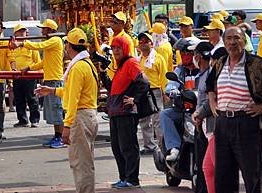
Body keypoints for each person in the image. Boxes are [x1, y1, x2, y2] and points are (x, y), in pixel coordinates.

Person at [206, 26, 262, 193]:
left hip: (247, 123)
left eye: (237, 38)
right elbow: (209, 85)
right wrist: (213, 102)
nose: (233, 42)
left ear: (244, 41)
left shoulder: (257, 64)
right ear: (224, 42)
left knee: (251, 174)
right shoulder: (220, 63)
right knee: (224, 175)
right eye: (229, 39)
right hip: (222, 123)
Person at [36, 28, 99, 193]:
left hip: (80, 117)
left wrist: (67, 125)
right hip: (88, 115)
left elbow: (73, 100)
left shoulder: (78, 67)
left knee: (81, 163)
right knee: (84, 162)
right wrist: (52, 90)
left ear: (69, 46)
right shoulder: (87, 64)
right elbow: (72, 92)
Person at [99, 35, 149, 189]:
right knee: (118, 147)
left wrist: (135, 99)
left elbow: (144, 82)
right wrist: (102, 73)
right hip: (116, 112)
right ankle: (124, 177)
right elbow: (113, 88)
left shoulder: (131, 62)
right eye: (113, 48)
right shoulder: (121, 65)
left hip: (126, 112)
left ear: (125, 48)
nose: (115, 51)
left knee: (127, 147)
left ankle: (132, 179)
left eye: (118, 48)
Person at [14, 18, 65, 148]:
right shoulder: (50, 42)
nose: (41, 31)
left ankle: (62, 137)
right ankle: (57, 136)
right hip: (50, 79)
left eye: (43, 29)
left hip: (55, 80)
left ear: (49, 30)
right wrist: (29, 68)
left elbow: (39, 46)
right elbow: (43, 62)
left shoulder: (55, 40)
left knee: (57, 111)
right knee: (53, 112)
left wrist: (21, 44)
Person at [160, 36, 200, 162]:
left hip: (202, 109)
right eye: (182, 53)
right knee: (165, 114)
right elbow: (171, 84)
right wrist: (172, 90)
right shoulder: (180, 69)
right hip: (184, 109)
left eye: (188, 53)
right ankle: (174, 147)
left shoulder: (205, 69)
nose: (185, 55)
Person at [136, 32, 166, 154]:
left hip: (155, 91)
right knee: (144, 120)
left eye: (146, 42)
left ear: (151, 44)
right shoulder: (138, 59)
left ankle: (161, 145)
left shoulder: (158, 58)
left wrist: (165, 92)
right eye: (141, 42)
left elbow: (163, 76)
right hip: (142, 92)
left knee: (158, 120)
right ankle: (149, 145)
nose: (143, 44)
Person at [191, 41, 215, 193]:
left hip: (210, 124)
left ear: (198, 57)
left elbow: (209, 100)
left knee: (209, 165)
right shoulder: (201, 75)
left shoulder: (211, 75)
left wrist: (199, 114)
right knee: (203, 165)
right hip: (202, 123)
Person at [9, 24, 41, 128]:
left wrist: (36, 73)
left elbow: (37, 61)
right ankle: (22, 120)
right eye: (19, 31)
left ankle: (34, 120)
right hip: (17, 76)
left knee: (32, 98)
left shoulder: (31, 46)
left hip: (29, 76)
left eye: (23, 31)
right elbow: (11, 60)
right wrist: (13, 70)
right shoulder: (12, 46)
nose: (22, 32)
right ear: (15, 33)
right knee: (19, 99)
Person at [108, 11, 136, 77]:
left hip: (121, 75)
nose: (112, 24)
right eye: (112, 22)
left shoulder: (126, 39)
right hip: (111, 74)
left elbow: (130, 59)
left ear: (122, 24)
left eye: (115, 23)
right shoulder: (111, 37)